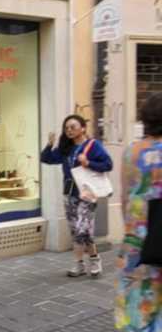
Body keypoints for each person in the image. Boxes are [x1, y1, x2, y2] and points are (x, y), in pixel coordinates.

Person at [116, 92, 162, 332]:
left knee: (145, 302)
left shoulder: (131, 152)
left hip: (139, 242)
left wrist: (132, 231)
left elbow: (124, 197)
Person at [41, 114, 113, 277]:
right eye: (66, 128)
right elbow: (47, 159)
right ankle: (90, 261)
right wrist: (50, 144)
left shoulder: (93, 145)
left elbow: (108, 164)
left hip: (87, 194)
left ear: (83, 128)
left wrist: (88, 163)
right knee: (77, 231)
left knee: (81, 229)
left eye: (73, 127)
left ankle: (81, 263)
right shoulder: (65, 148)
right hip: (69, 193)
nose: (69, 130)